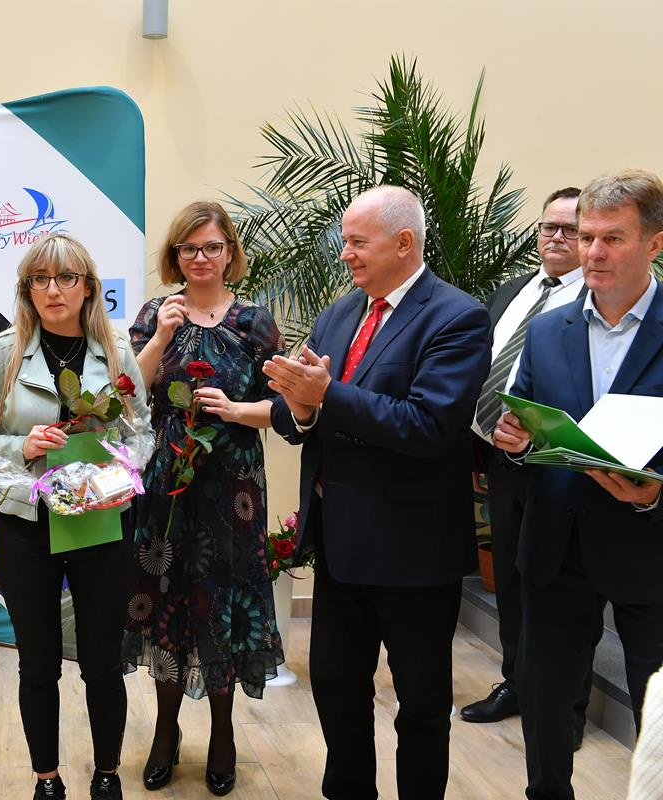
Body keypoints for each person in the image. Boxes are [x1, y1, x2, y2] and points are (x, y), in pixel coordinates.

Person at [263, 186, 491, 799]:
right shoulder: (341, 313)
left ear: (404, 242)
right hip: (341, 546)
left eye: (357, 242)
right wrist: (300, 407)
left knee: (421, 705)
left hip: (415, 553)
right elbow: (298, 415)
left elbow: (428, 426)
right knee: (337, 691)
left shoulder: (457, 317)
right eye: (345, 241)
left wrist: (324, 396)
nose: (345, 254)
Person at [0, 233, 151, 800]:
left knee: (102, 663)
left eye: (66, 278)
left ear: (88, 287)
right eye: (39, 279)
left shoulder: (115, 349)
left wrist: (116, 466)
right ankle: (47, 779)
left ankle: (107, 774)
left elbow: (141, 432)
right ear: (28, 290)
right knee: (37, 665)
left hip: (100, 520)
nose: (53, 290)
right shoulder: (6, 350)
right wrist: (22, 446)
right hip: (25, 523)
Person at [492, 169, 663, 800]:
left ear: (655, 243)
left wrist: (658, 492)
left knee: (657, 714)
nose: (592, 252)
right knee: (545, 702)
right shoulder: (546, 330)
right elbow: (528, 416)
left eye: (612, 238)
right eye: (587, 236)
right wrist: (516, 439)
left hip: (650, 550)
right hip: (556, 547)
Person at [122, 200, 286, 797]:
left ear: (229, 253)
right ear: (176, 255)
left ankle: (223, 733)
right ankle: (165, 731)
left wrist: (235, 410)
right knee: (167, 599)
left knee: (223, 602)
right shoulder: (155, 313)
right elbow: (128, 392)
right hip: (167, 482)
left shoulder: (254, 322)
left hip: (232, 487)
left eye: (212, 247)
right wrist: (164, 334)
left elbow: (285, 407)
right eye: (189, 248)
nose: (200, 258)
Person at [462, 187, 595, 749]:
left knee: (568, 590)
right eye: (548, 227)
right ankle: (517, 683)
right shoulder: (513, 291)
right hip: (501, 456)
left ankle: (568, 709)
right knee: (512, 578)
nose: (557, 237)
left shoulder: (596, 300)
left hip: (559, 463)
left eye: (570, 229)